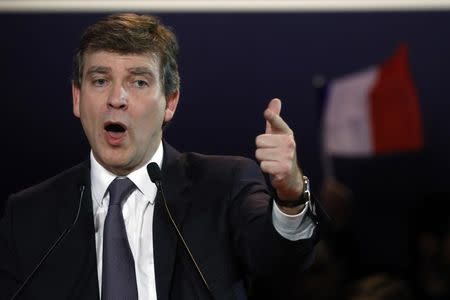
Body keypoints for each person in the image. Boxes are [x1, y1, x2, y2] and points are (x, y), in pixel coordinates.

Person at [0, 13, 324, 299]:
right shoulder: (28, 215)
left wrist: (291, 195)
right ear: (76, 97)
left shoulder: (222, 188)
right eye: (100, 81)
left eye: (138, 81)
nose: (116, 98)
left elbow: (280, 260)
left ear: (170, 102)